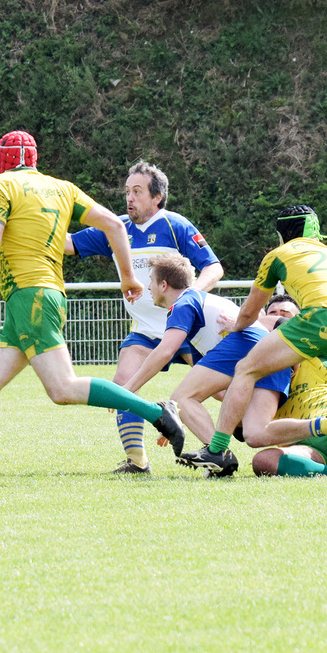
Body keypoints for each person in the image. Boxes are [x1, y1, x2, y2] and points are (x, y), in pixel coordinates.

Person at [0, 131, 186, 486]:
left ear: (2, 159)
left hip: (31, 298)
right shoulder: (62, 188)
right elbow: (115, 225)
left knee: (62, 389)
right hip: (37, 298)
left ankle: (156, 412)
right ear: (35, 158)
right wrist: (128, 278)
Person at [180, 204, 327, 477]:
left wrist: (236, 326)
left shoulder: (278, 254)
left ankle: (216, 449)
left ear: (282, 235)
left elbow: (249, 312)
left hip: (319, 319)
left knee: (245, 369)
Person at [65, 162, 224, 473]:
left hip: (186, 328)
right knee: (123, 383)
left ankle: (230, 444)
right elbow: (70, 244)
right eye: (127, 191)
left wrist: (189, 298)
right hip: (145, 331)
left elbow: (214, 268)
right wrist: (36, 223)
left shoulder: (176, 225)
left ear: (157, 197)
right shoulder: (116, 229)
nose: (129, 198)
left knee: (219, 390)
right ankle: (137, 462)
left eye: (137, 191)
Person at [120, 259, 303, 477]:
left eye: (151, 281)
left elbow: (165, 351)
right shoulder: (200, 305)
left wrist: (128, 388)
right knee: (255, 433)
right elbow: (212, 389)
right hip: (269, 352)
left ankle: (218, 455)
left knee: (180, 397)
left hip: (245, 344)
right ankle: (322, 427)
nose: (149, 287)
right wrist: (177, 421)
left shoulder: (183, 303)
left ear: (164, 285)